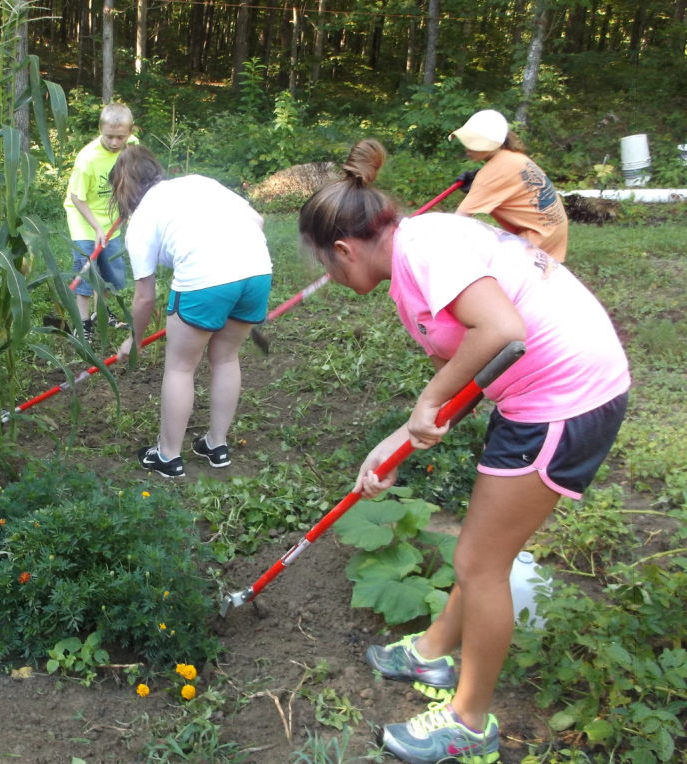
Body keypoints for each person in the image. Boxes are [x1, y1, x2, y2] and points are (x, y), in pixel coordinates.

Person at [298, 139, 629, 764]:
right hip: (536, 393)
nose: (331, 281)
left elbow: (503, 330)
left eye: (325, 267)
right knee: (481, 546)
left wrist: (425, 403)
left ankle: (470, 721)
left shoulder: (428, 247)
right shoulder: (412, 260)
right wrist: (403, 436)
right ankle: (433, 653)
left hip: (567, 397)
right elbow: (477, 360)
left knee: (481, 562)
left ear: (343, 250)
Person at [112, 145, 273, 478]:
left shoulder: (142, 218)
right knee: (226, 358)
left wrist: (134, 340)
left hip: (206, 279)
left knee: (181, 368)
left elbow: (144, 297)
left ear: (123, 189)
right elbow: (258, 220)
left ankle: (168, 456)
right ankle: (216, 444)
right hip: (256, 271)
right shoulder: (199, 182)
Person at [451, 109, 569, 262]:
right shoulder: (514, 158)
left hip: (537, 237)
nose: (467, 148)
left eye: (473, 143)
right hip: (553, 230)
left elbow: (459, 221)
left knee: (481, 265)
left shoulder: (494, 171)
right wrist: (475, 184)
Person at [63, 102, 139, 342]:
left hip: (113, 217)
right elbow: (77, 198)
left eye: (120, 137)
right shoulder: (87, 159)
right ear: (100, 130)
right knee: (87, 272)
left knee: (110, 273)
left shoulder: (133, 146)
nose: (115, 143)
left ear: (129, 132)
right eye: (109, 137)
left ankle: (101, 314)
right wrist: (96, 228)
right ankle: (82, 322)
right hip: (85, 220)